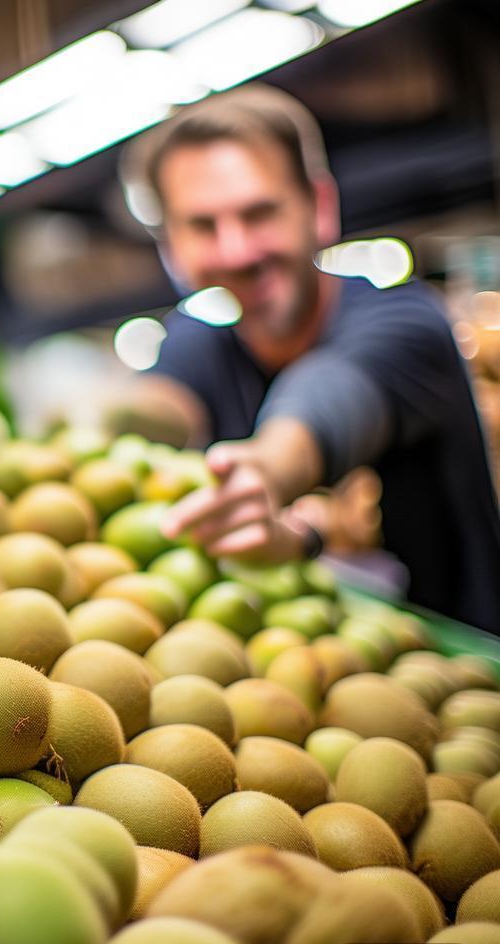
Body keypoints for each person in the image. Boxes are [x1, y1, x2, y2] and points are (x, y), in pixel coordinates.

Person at [119, 84, 500, 634]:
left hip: (461, 662)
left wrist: (264, 472)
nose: (237, 251)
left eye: (260, 213)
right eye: (202, 225)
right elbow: (158, 405)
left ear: (319, 207)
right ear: (169, 246)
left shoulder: (405, 323)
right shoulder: (196, 344)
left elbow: (330, 397)